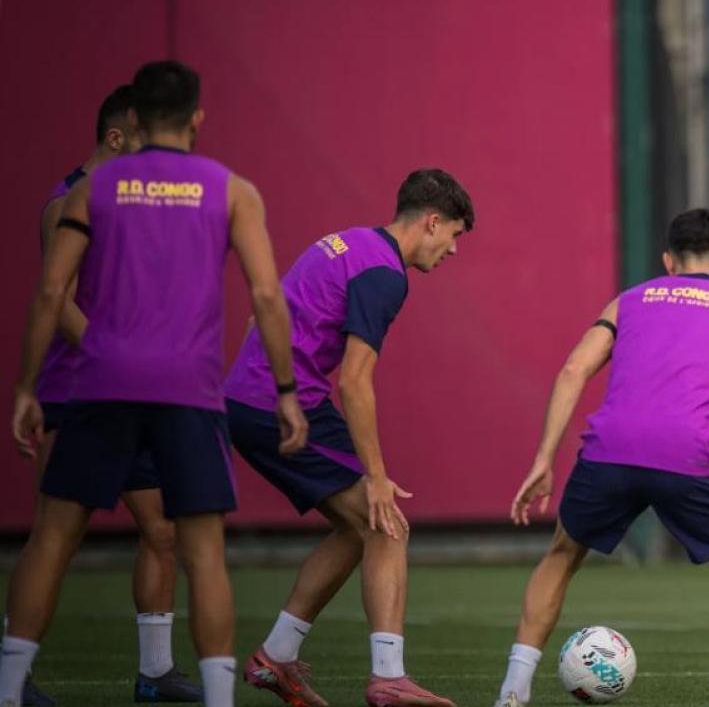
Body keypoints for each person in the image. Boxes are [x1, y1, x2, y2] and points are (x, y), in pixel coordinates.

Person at [2, 60, 308, 707]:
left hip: (101, 383)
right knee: (202, 551)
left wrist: (27, 386)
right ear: (197, 118)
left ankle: (7, 689)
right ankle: (220, 699)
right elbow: (264, 294)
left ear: (134, 119)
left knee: (54, 537)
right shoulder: (232, 190)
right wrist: (285, 390)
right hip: (187, 391)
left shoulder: (93, 188)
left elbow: (52, 289)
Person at [493, 209, 709, 707]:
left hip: (609, 453)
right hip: (689, 456)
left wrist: (543, 459)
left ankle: (512, 693)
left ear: (668, 261)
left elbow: (575, 368)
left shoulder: (627, 301)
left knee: (560, 557)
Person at [228, 170, 474, 707]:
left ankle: (276, 657)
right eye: (454, 234)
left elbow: (258, 317)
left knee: (354, 528)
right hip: (281, 405)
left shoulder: (348, 242)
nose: (453, 250)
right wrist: (379, 478)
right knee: (386, 524)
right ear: (431, 222)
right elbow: (355, 380)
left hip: (249, 399)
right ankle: (388, 678)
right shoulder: (385, 274)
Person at [27, 84, 200, 704]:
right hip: (77, 394)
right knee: (57, 537)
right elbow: (60, 301)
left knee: (164, 530)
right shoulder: (66, 205)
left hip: (136, 396)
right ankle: (13, 676)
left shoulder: (134, 206)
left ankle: (155, 674)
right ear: (118, 137)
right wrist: (113, 355)